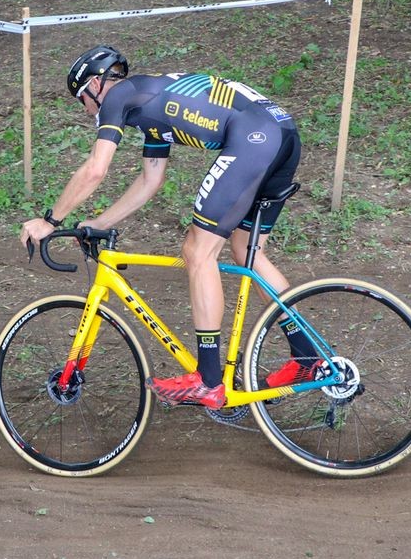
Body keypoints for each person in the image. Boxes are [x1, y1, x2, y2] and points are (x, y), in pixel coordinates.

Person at [19, 45, 317, 409]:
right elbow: (150, 180)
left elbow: (96, 169)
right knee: (247, 254)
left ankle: (209, 380)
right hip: (281, 132)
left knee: (197, 251)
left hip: (254, 137)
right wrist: (98, 222)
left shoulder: (119, 97)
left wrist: (51, 221)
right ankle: (308, 357)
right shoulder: (148, 104)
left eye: (82, 97)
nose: (85, 109)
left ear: (97, 84)